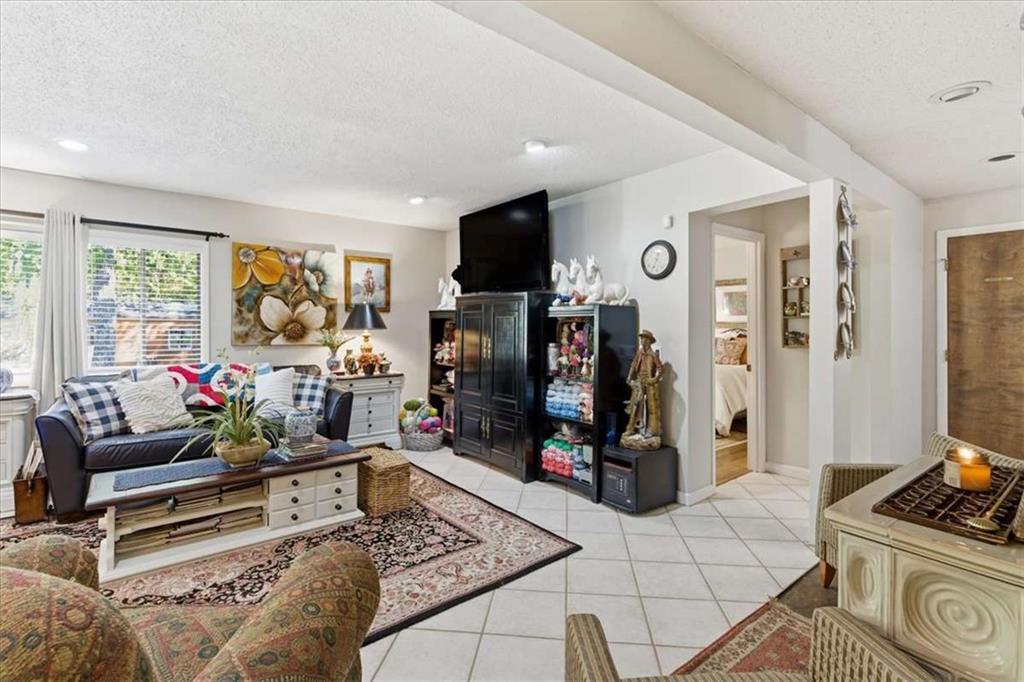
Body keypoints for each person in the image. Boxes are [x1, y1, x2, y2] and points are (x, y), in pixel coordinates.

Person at [621, 329, 664, 449]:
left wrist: (654, 380)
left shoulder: (653, 354)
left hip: (648, 383)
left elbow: (661, 369)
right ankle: (630, 428)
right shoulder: (639, 352)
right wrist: (629, 377)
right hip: (639, 382)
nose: (642, 341)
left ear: (649, 341)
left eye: (645, 339)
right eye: (642, 338)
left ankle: (651, 429)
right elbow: (634, 365)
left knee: (651, 407)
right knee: (635, 405)